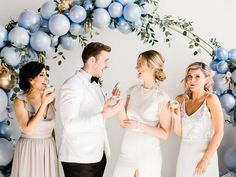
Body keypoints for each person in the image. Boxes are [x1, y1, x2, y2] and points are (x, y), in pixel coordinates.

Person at [58, 42, 121, 177]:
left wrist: (111, 102)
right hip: (79, 159)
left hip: (98, 154)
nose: (108, 65)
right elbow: (70, 124)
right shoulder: (71, 85)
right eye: (105, 60)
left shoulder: (95, 83)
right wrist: (104, 115)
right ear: (92, 60)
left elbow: (93, 109)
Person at [113, 50, 172, 177]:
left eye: (140, 63)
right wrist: (118, 102)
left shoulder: (162, 98)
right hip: (126, 153)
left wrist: (139, 125)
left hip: (147, 155)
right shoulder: (132, 91)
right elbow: (124, 123)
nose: (136, 67)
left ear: (151, 66)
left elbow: (165, 133)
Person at [172, 62, 224, 177]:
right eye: (189, 76)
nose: (192, 80)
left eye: (197, 76)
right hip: (184, 155)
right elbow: (179, 133)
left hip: (205, 156)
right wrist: (176, 118)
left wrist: (205, 160)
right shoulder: (180, 100)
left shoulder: (211, 99)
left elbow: (219, 132)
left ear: (206, 79)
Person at [11, 61, 59, 177]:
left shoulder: (50, 99)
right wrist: (43, 104)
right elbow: (28, 130)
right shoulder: (20, 100)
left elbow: (51, 128)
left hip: (49, 149)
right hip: (29, 150)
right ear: (30, 80)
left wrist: (54, 150)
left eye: (47, 74)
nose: (46, 78)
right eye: (42, 75)